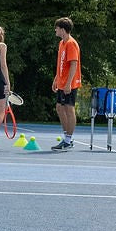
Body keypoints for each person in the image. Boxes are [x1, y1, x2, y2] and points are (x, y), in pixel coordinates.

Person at [50, 16, 81, 151]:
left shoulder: (71, 43)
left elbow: (73, 65)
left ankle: (68, 139)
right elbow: (61, 63)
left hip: (70, 83)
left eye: (56, 28)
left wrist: (68, 83)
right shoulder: (62, 43)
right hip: (62, 82)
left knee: (69, 108)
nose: (55, 30)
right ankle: (66, 136)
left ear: (63, 29)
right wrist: (56, 78)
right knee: (59, 107)